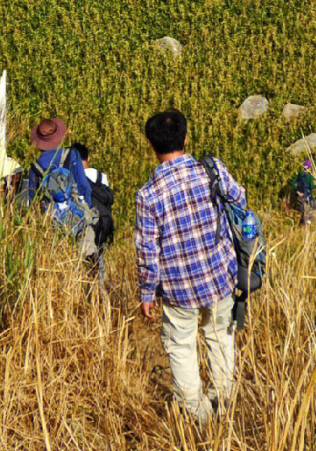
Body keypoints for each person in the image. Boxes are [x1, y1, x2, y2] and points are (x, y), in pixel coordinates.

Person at [135, 108, 245, 425]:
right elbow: (240, 199)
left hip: (177, 289)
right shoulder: (211, 171)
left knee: (181, 348)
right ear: (186, 138)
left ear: (151, 145)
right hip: (221, 276)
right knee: (220, 338)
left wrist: (146, 294)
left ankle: (198, 416)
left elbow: (147, 249)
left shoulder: (148, 195)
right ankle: (223, 403)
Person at [24, 117, 98, 255]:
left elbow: (32, 202)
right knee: (88, 260)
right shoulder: (72, 155)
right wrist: (86, 211)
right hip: (77, 217)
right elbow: (84, 186)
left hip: (51, 223)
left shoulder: (35, 167)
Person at [70, 142, 114, 282]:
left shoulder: (73, 177)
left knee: (83, 258)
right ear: (88, 157)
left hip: (87, 222)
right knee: (99, 256)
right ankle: (99, 291)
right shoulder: (102, 176)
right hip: (103, 221)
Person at [290, 159, 316, 224]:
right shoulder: (310, 177)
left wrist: (297, 191)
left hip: (298, 197)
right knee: (314, 206)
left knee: (302, 211)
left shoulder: (299, 175)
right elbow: (312, 186)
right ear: (309, 168)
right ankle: (308, 220)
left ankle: (302, 224)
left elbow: (292, 183)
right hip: (307, 196)